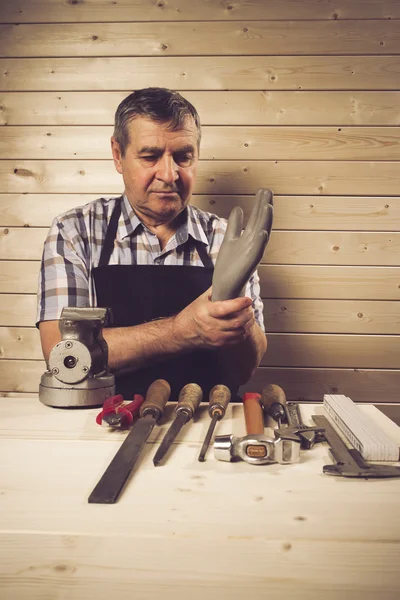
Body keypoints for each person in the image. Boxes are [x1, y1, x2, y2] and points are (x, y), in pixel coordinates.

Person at [37, 87, 268, 400]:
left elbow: (243, 371)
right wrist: (182, 331)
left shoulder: (225, 239)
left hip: (208, 419)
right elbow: (64, 355)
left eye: (183, 157)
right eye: (150, 156)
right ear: (118, 155)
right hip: (102, 421)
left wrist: (238, 319)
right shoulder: (75, 232)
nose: (169, 174)